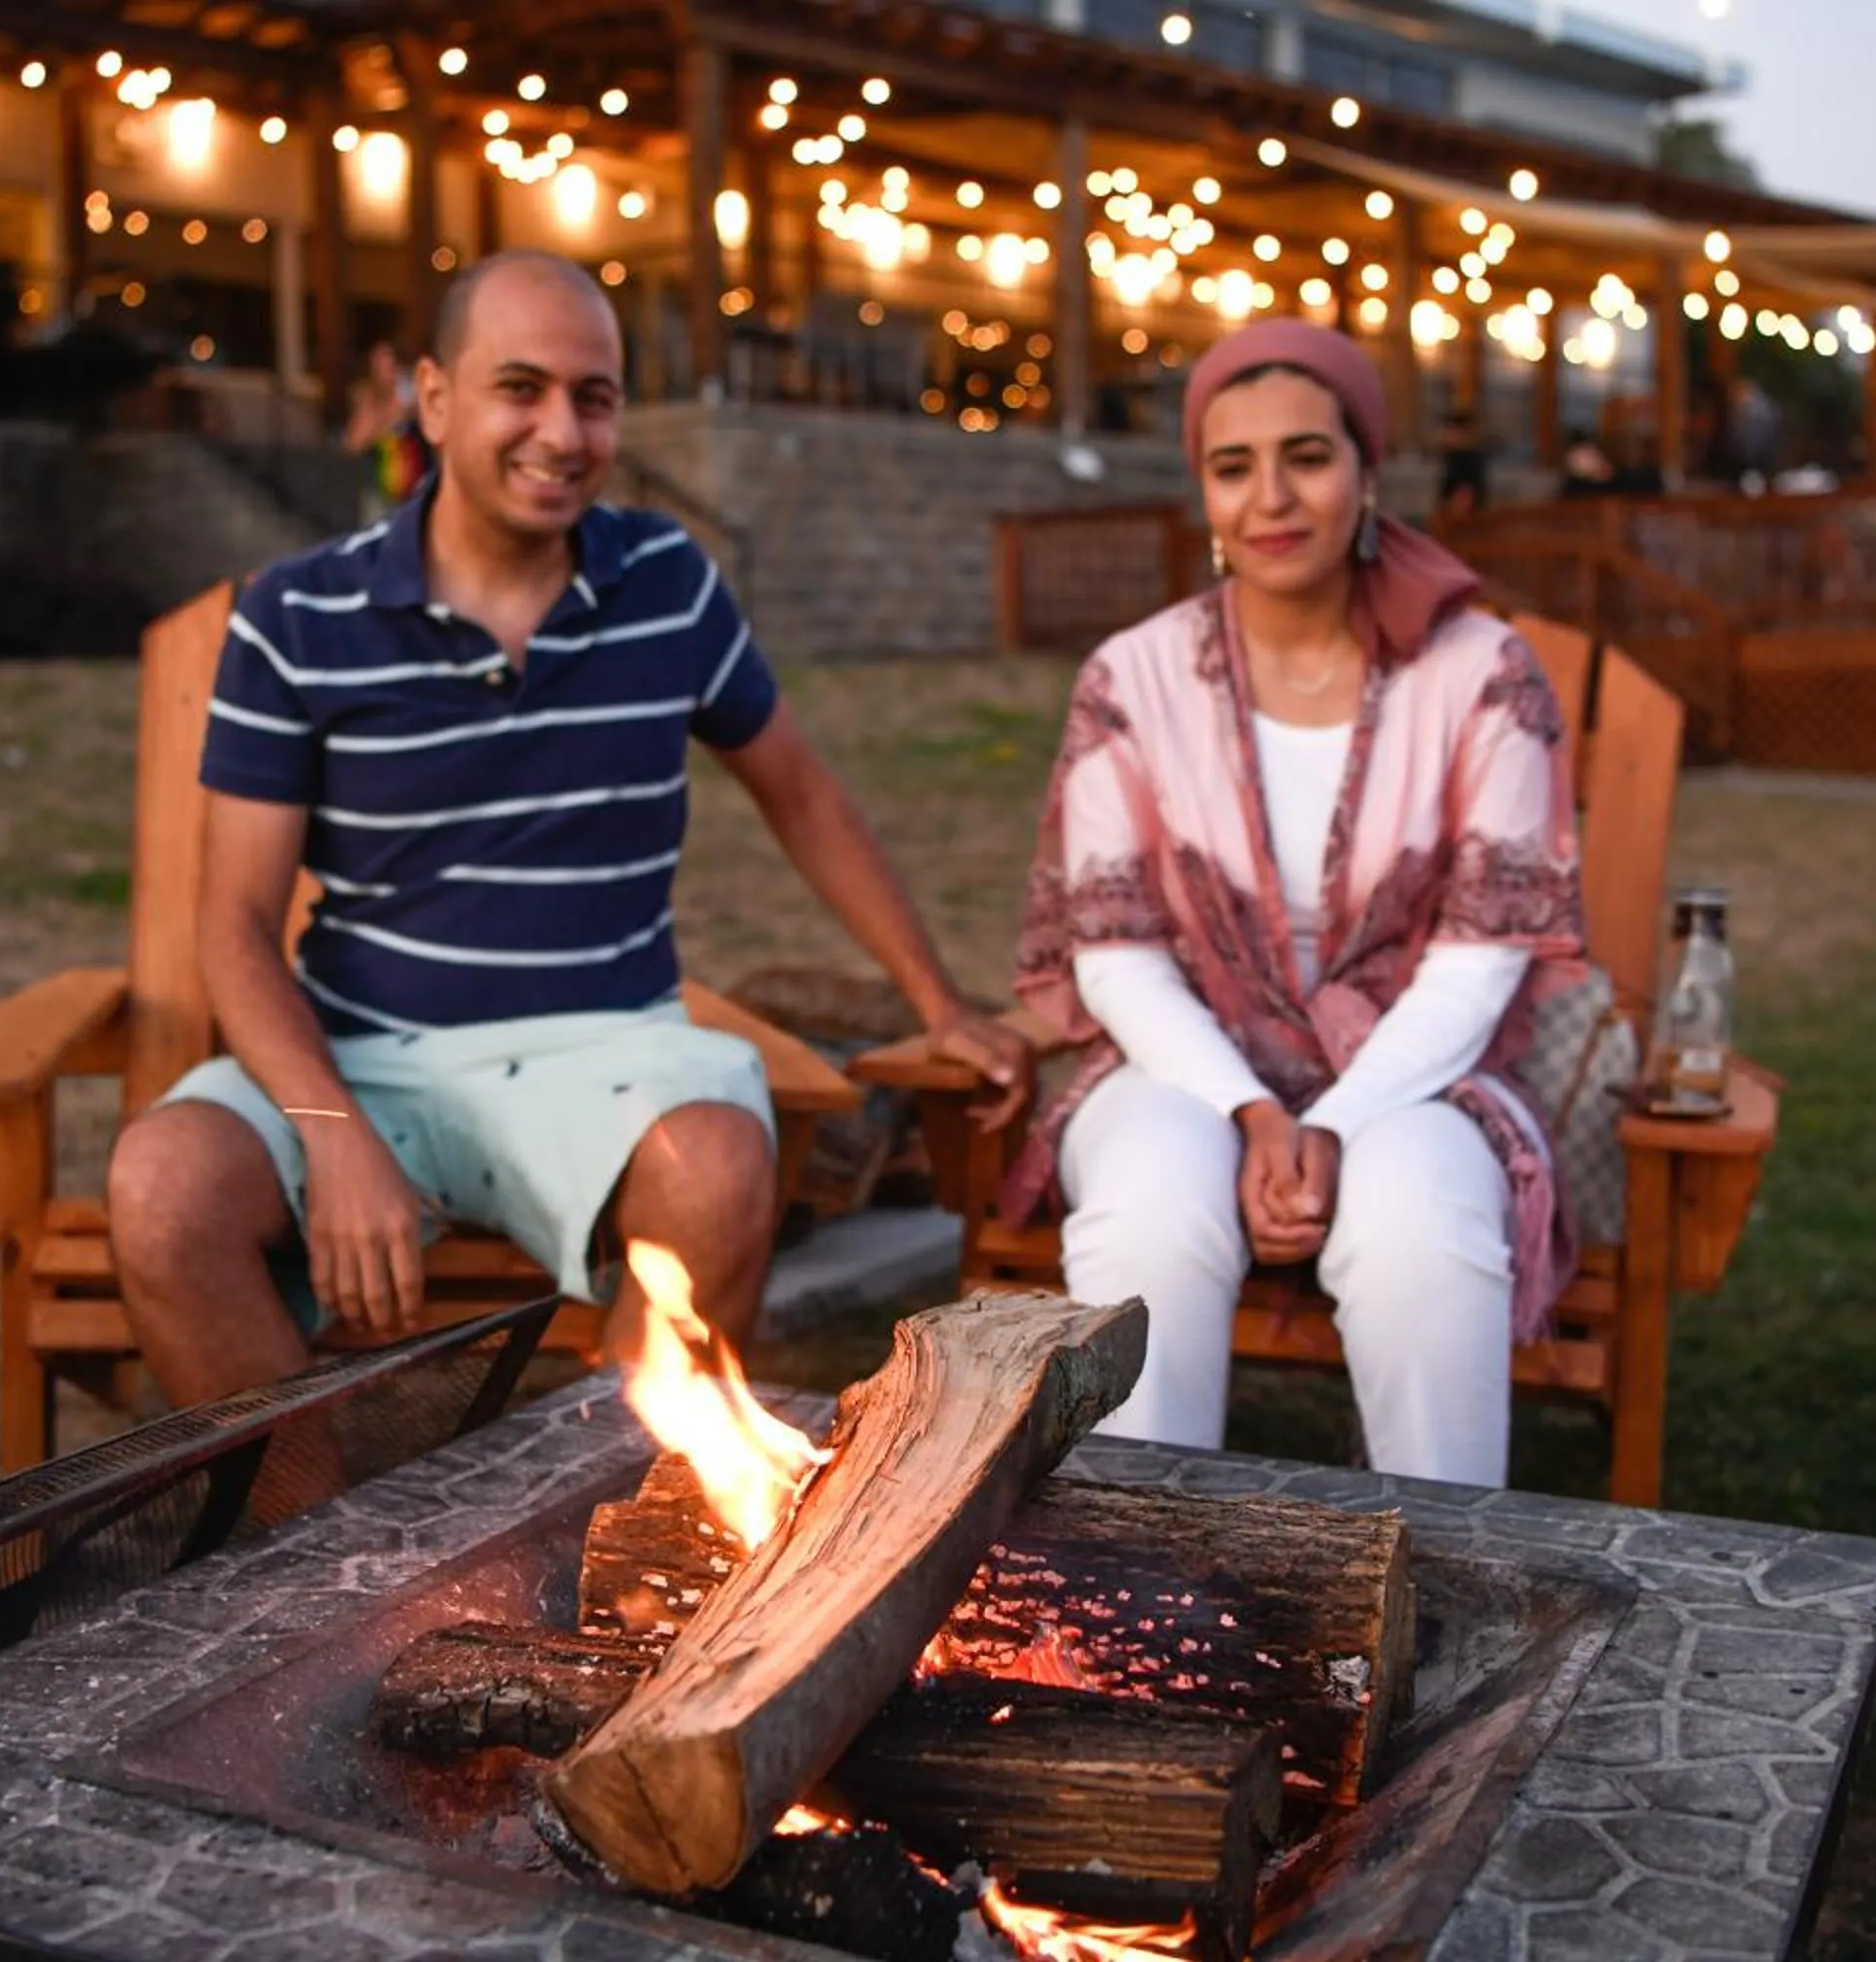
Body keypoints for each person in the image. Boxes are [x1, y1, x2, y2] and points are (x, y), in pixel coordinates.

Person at [106, 251, 1026, 1512]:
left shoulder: (666, 586)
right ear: (432, 397)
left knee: (716, 1159)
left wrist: (936, 998)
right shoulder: (297, 616)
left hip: (605, 1048)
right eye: (521, 388)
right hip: (361, 1051)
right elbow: (232, 928)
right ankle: (317, 1551)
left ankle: (610, 1530)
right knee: (163, 1189)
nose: (562, 430)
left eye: (594, 398)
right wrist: (334, 1132)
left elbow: (802, 793)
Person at [1010, 318, 1585, 1486]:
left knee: (1420, 1210)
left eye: (1308, 456)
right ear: (1205, 494)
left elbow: (1480, 960)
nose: (1271, 495)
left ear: (1369, 471)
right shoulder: (1135, 677)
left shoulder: (1481, 673)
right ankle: (1134, 1585)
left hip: (1416, 1067)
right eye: (1233, 466)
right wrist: (1251, 1110)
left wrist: (1333, 1114)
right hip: (1185, 1064)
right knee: (1154, 1200)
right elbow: (1114, 952)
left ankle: (1439, 1563)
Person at [343, 337, 431, 523]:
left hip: (413, 485)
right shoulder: (368, 399)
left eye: (389, 365)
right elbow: (353, 444)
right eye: (379, 366)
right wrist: (387, 419)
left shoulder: (409, 393)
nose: (385, 372)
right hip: (379, 488)